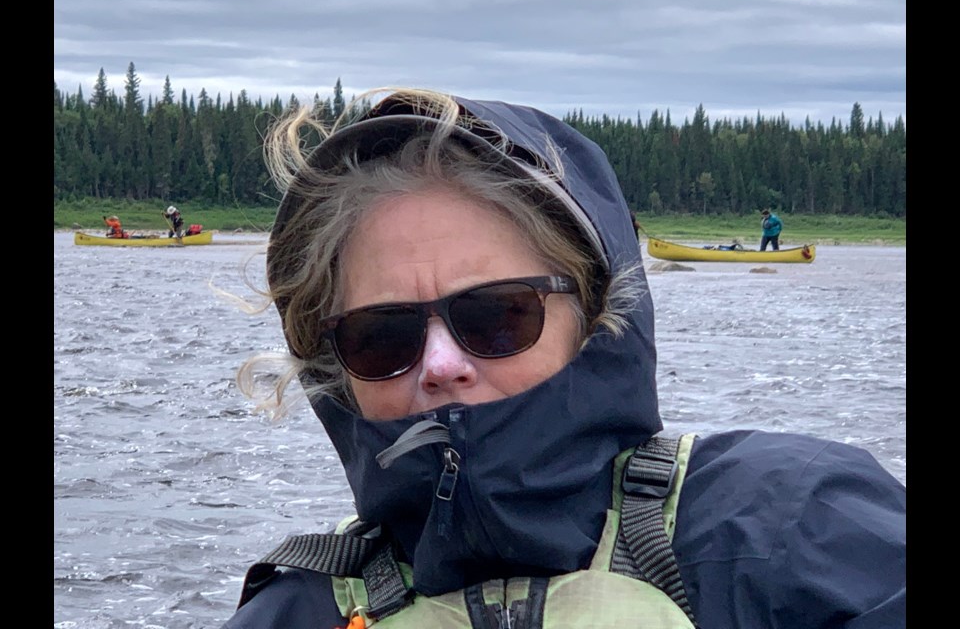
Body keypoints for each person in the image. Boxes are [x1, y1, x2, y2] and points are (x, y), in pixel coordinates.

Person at [222, 88, 905, 628]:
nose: (439, 363)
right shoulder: (295, 611)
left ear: (596, 321)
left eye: (498, 315)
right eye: (381, 336)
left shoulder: (801, 534)